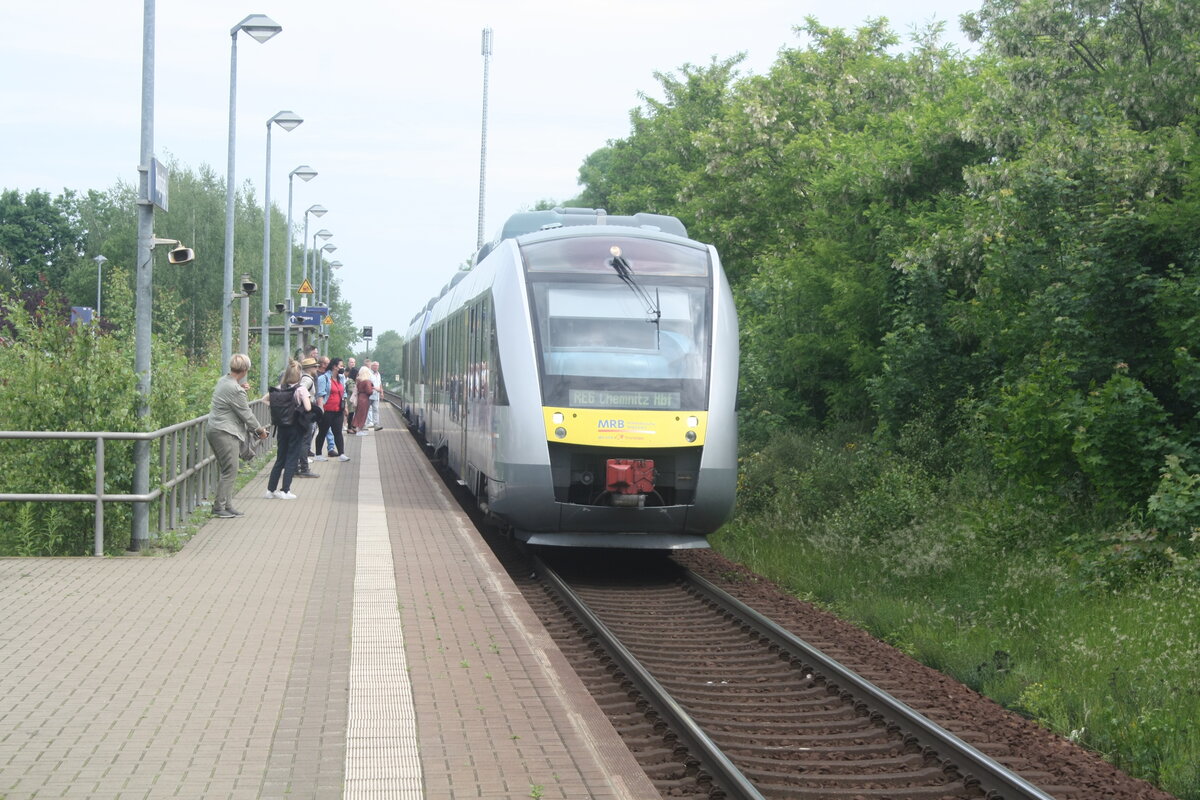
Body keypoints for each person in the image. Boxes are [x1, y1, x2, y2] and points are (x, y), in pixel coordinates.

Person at [207, 353, 268, 518]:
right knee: (231, 470)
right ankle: (219, 507)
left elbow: (230, 398)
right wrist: (260, 431)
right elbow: (246, 414)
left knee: (228, 469)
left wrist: (240, 389)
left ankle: (227, 505)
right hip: (225, 432)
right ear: (246, 369)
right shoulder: (235, 390)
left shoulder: (224, 381)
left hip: (215, 428)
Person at [264, 360, 308, 499]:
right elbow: (308, 408)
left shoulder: (279, 387)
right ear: (299, 374)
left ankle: (270, 490)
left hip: (281, 427)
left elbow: (263, 400)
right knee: (292, 458)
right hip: (295, 427)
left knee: (280, 458)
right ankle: (285, 490)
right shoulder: (301, 389)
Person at [316, 358, 350, 462]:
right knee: (323, 431)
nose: (342, 368)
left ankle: (341, 454)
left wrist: (345, 407)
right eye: (340, 365)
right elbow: (320, 395)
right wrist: (321, 409)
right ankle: (318, 454)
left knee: (338, 432)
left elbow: (343, 393)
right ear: (334, 366)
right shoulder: (323, 378)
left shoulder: (341, 378)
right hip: (327, 410)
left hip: (338, 410)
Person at [295, 357, 322, 478]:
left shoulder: (303, 378)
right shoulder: (307, 380)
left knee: (301, 440)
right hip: (306, 413)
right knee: (305, 441)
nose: (317, 368)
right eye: (315, 366)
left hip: (301, 413)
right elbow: (301, 391)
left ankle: (296, 466)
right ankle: (304, 467)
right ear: (310, 368)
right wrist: (307, 404)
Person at [353, 365, 373, 435]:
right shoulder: (367, 381)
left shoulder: (359, 380)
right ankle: (359, 430)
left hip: (360, 397)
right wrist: (372, 389)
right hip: (365, 398)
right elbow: (369, 391)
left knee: (358, 413)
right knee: (363, 414)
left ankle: (357, 428)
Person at [366, 360, 383, 430]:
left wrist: (382, 392)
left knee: (376, 409)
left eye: (377, 366)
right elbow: (367, 383)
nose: (376, 367)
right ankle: (365, 424)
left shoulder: (378, 374)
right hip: (369, 395)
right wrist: (375, 388)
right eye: (374, 366)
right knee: (366, 410)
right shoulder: (369, 373)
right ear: (371, 366)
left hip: (376, 395)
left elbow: (380, 384)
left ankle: (376, 424)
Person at [344, 357, 359, 434]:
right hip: (349, 400)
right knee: (350, 413)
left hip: (351, 400)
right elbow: (351, 390)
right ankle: (349, 427)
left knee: (352, 413)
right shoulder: (350, 381)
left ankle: (351, 426)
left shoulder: (351, 380)